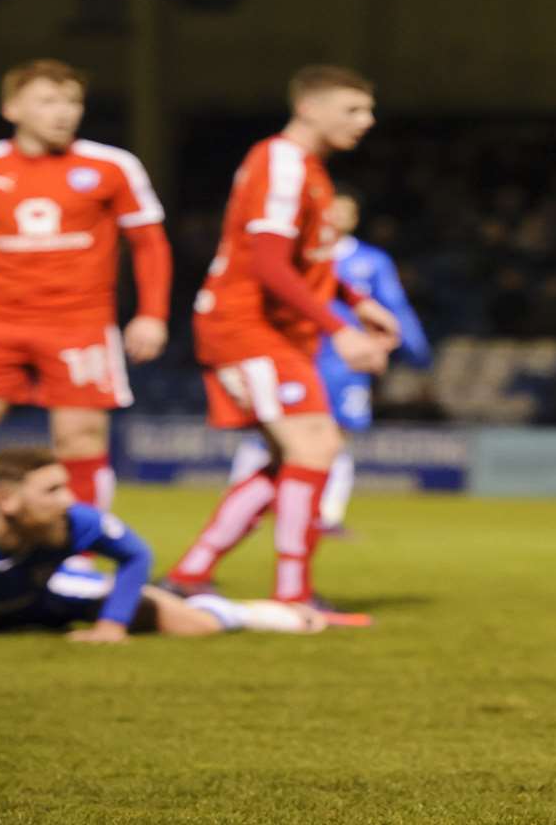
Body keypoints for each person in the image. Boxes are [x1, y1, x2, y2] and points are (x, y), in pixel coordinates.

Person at [161, 66, 399, 614]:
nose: (367, 122)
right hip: (246, 326)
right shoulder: (284, 164)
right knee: (316, 447)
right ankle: (293, 594)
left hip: (268, 328)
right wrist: (342, 329)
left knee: (289, 457)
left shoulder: (306, 168)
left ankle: (191, 573)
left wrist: (356, 299)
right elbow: (268, 266)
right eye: (354, 110)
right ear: (310, 108)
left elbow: (300, 259)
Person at [0, 59, 171, 511]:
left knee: (80, 442)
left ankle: (79, 559)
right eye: (48, 101)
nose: (63, 112)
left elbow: (149, 244)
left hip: (79, 324)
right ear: (12, 108)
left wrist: (152, 314)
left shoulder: (113, 165)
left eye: (73, 102)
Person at [0, 447, 327, 641]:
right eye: (52, 490)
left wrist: (112, 626)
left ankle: (254, 614)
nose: (69, 500)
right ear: (6, 499)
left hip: (39, 602)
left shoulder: (79, 525)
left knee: (189, 625)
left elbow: (136, 555)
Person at [226, 187, 431, 534]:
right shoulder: (294, 254)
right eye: (331, 209)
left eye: (344, 211)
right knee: (271, 435)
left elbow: (394, 305)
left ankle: (324, 514)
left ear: (354, 218)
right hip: (293, 352)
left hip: (345, 362)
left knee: (336, 436)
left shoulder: (371, 260)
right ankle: (246, 509)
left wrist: (414, 349)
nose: (336, 216)